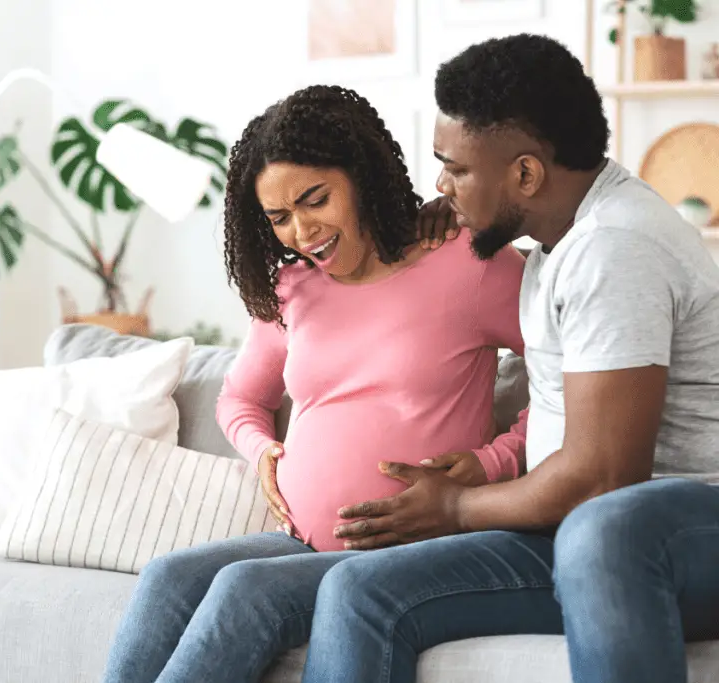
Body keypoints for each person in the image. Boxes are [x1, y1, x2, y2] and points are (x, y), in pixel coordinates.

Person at [295, 34, 719, 683]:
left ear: (525, 174)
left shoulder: (614, 247)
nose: (439, 184)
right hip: (576, 534)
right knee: (359, 591)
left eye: (455, 168)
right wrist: (465, 206)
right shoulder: (553, 237)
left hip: (680, 532)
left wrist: (457, 507)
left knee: (599, 531)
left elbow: (603, 476)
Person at [100, 84, 529, 683]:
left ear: (362, 174)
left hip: (413, 548)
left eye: (315, 199)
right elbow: (241, 399)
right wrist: (264, 452)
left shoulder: (469, 264)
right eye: (279, 217)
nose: (301, 231)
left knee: (247, 589)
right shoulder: (292, 289)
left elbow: (569, 381)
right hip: (303, 541)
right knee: (168, 576)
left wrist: (492, 462)